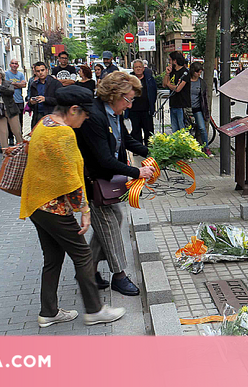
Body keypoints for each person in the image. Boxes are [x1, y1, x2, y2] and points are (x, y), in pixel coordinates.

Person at [20, 85, 126, 327]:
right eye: (85, 114)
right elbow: (71, 178)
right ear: (74, 109)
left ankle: (48, 312)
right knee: (83, 255)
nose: (87, 119)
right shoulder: (64, 133)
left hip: (36, 203)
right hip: (53, 207)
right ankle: (95, 310)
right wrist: (85, 211)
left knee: (53, 257)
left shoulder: (45, 122)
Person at [74, 71, 154, 295]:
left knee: (111, 221)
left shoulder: (114, 112)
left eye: (132, 100)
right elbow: (104, 160)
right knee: (109, 223)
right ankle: (119, 276)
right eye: (128, 99)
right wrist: (137, 171)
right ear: (113, 95)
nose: (129, 105)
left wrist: (151, 150)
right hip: (91, 180)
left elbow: (125, 139)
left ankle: (87, 270)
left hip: (103, 177)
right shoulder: (94, 116)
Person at [126, 59, 156, 146]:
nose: (138, 69)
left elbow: (154, 92)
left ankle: (149, 147)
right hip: (134, 109)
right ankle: (138, 148)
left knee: (149, 130)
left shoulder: (149, 78)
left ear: (143, 68)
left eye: (140, 67)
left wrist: (152, 105)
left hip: (146, 109)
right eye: (136, 67)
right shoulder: (129, 79)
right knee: (136, 130)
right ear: (133, 69)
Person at [29, 61, 63, 128]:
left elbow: (61, 100)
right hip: (38, 115)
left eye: (42, 70)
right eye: (38, 71)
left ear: (47, 70)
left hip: (52, 115)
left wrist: (45, 99)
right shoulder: (34, 84)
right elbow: (30, 102)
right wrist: (31, 102)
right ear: (35, 72)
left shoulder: (55, 83)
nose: (41, 73)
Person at [188, 62, 212, 156]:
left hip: (197, 108)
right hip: (187, 108)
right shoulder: (187, 81)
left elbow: (204, 97)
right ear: (193, 71)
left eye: (200, 72)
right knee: (187, 130)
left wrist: (205, 110)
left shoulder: (201, 82)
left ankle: (206, 147)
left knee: (202, 127)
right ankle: (188, 149)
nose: (199, 74)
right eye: (197, 72)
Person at [163, 51, 190, 132]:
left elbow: (178, 89)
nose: (169, 62)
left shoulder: (185, 72)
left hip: (182, 105)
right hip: (173, 104)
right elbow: (164, 84)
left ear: (175, 61)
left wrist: (169, 84)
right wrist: (167, 74)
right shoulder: (172, 71)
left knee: (182, 129)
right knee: (175, 130)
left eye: (170, 60)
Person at [5, 58, 27, 132]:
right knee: (10, 120)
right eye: (13, 63)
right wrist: (19, 84)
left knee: (20, 120)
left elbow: (24, 85)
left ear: (18, 65)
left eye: (16, 63)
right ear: (10, 65)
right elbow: (7, 85)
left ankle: (20, 136)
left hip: (19, 100)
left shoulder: (20, 74)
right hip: (10, 101)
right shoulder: (6, 74)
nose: (14, 65)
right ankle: (11, 137)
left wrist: (14, 84)